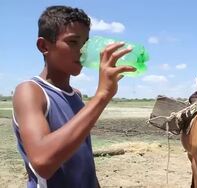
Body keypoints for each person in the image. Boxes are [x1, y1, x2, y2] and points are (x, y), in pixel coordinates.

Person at [12, 5, 135, 188]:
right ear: (44, 46)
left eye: (86, 44)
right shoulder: (31, 91)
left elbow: (84, 162)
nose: (82, 51)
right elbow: (43, 162)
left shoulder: (76, 96)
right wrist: (102, 96)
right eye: (73, 42)